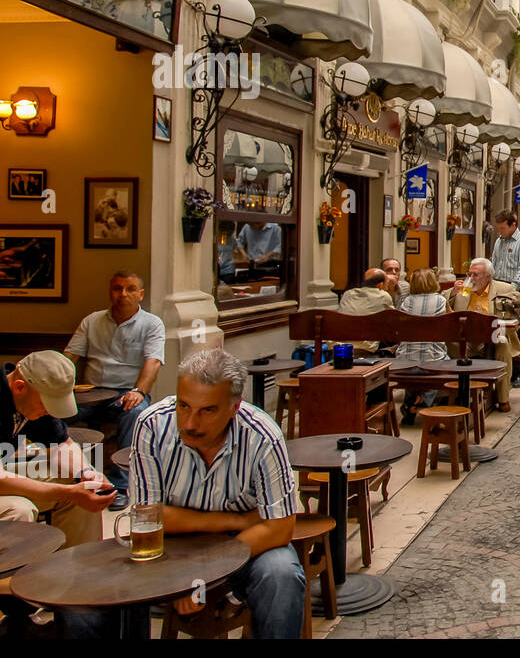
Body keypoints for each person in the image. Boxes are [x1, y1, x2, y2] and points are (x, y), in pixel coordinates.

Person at [70, 349, 304, 639]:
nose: (190, 423)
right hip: (175, 545)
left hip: (245, 546)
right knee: (93, 595)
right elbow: (148, 518)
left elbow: (280, 527)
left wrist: (205, 573)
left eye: (208, 410)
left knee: (282, 575)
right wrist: (239, 520)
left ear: (235, 407)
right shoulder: (152, 425)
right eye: (184, 406)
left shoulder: (263, 436)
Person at [64, 270, 165, 502]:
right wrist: (56, 388)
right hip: (90, 392)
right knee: (52, 413)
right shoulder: (92, 321)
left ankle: (119, 486)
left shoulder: (152, 324)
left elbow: (153, 363)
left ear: (140, 295)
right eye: (117, 288)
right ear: (110, 292)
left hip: (126, 393)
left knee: (137, 413)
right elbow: (69, 357)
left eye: (130, 289)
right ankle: (69, 477)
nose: (123, 294)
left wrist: (139, 391)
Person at [0, 352, 115, 551]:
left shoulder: (29, 398)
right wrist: (69, 493)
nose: (50, 411)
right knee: (19, 509)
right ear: (19, 387)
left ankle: (77, 572)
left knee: (81, 485)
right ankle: (15, 580)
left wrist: (86, 474)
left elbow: (61, 444)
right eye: (46, 405)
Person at [443, 259, 520, 411]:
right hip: (467, 339)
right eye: (469, 274)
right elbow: (441, 303)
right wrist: (452, 292)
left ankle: (503, 397)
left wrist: (512, 324)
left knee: (503, 344)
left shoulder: (504, 289)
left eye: (475, 275)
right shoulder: (465, 289)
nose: (471, 278)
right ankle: (461, 390)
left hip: (493, 336)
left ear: (488, 277)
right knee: (450, 343)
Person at [395, 269, 449, 409]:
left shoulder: (407, 301)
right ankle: (424, 402)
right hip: (433, 362)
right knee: (447, 363)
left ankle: (411, 401)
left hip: (404, 362)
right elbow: (453, 322)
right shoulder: (440, 300)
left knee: (415, 365)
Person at [490, 210, 520, 292]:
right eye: (498, 228)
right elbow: (494, 262)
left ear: (513, 225)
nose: (500, 231)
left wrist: (513, 288)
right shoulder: (499, 241)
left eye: (503, 228)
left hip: (514, 286)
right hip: (497, 284)